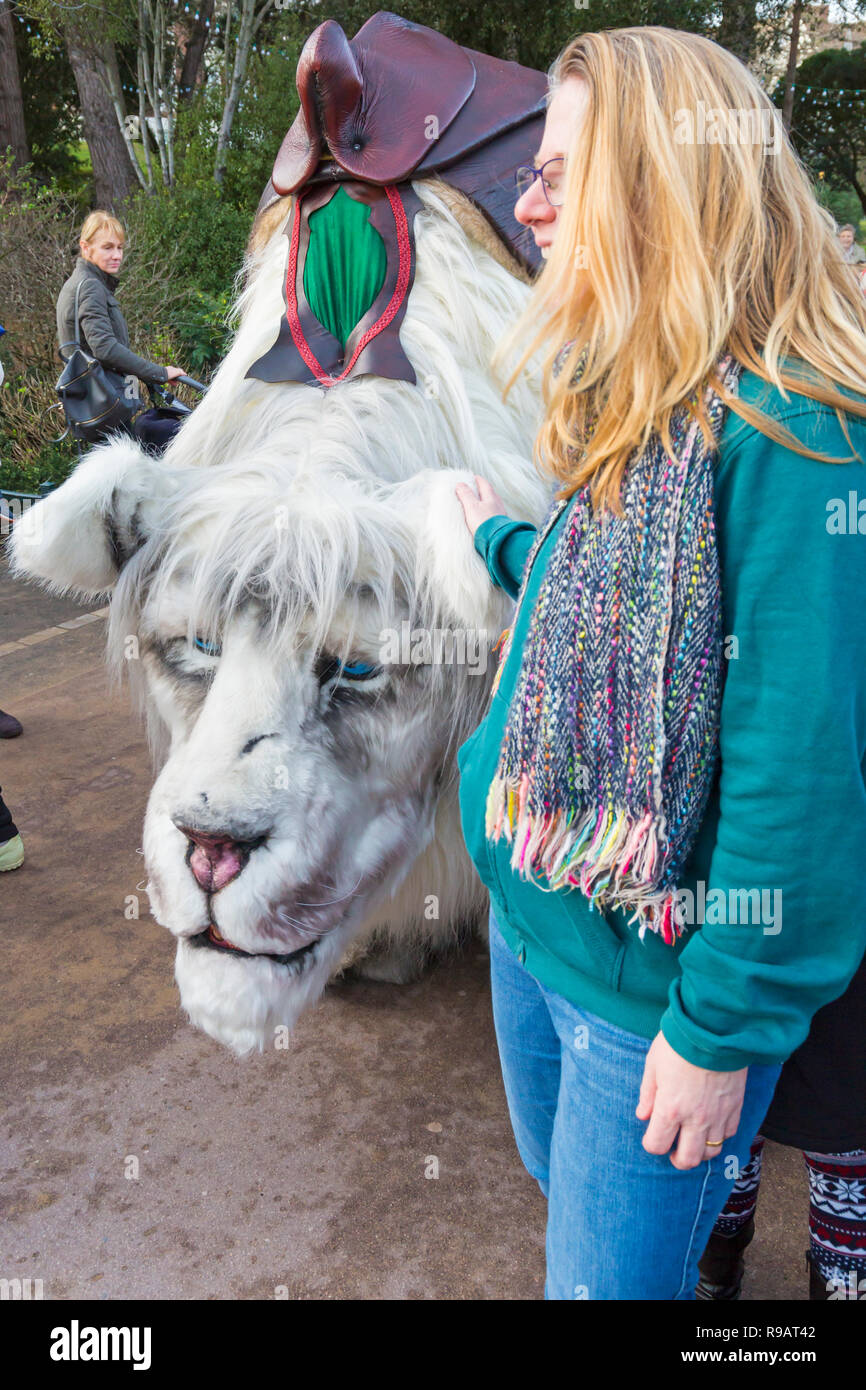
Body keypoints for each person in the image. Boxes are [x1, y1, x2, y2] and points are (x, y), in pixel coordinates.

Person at [454, 26, 866, 1300]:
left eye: (561, 169)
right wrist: (494, 538)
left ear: (659, 184)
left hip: (645, 995)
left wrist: (717, 1032)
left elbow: (791, 776)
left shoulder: (798, 433)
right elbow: (624, 620)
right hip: (531, 919)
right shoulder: (637, 380)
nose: (525, 203)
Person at [55, 211, 185, 445]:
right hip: (106, 405)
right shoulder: (91, 287)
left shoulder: (77, 283)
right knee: (124, 476)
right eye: (107, 247)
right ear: (86, 247)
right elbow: (105, 348)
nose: (116, 255)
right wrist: (160, 373)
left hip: (94, 404)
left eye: (120, 247)